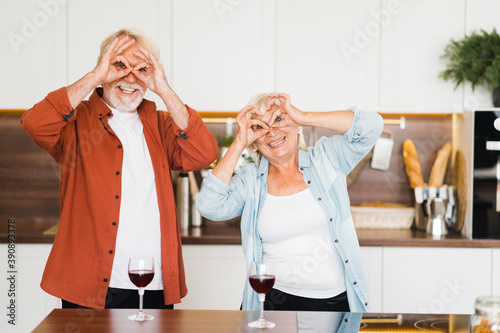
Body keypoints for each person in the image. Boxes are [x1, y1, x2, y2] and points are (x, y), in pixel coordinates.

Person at [21, 28, 219, 309]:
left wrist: (163, 89)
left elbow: (204, 153)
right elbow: (34, 124)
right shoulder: (75, 122)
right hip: (90, 284)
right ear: (103, 67)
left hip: (154, 282)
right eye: (119, 65)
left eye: (141, 69)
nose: (130, 77)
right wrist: (95, 77)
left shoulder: (160, 125)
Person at [196, 93, 383, 312]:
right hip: (273, 303)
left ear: (296, 127)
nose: (272, 132)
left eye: (278, 120)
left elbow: (372, 126)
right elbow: (209, 205)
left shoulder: (326, 160)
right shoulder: (250, 182)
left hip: (336, 304)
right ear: (254, 143)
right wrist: (239, 142)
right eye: (259, 128)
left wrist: (302, 116)